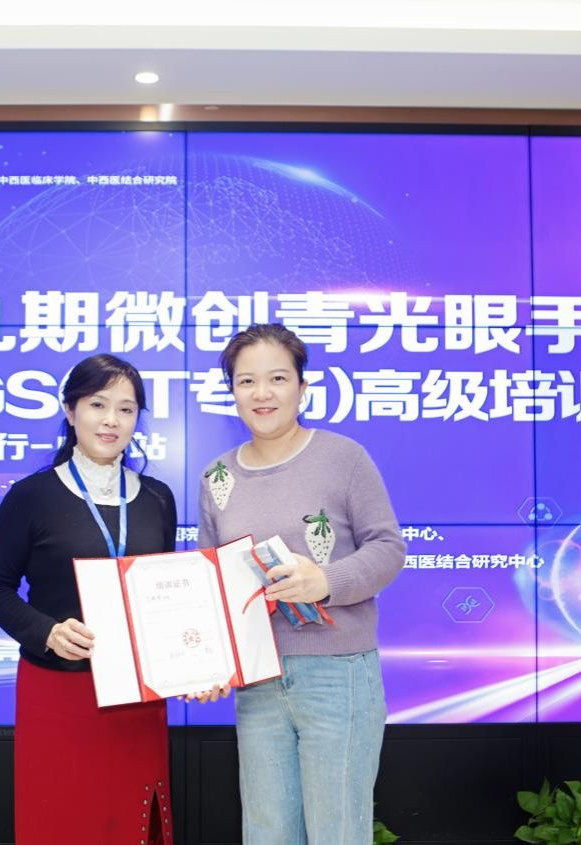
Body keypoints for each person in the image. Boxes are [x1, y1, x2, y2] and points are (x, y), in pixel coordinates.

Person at [197, 323, 406, 845]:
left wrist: (326, 580)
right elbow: (210, 582)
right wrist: (213, 660)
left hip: (338, 675)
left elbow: (388, 548)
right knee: (266, 832)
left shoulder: (344, 458)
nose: (261, 393)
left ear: (302, 387)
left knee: (338, 831)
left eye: (277, 378)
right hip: (257, 682)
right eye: (246, 381)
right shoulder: (217, 476)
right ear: (232, 392)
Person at [0, 354, 178, 845]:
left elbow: (167, 595)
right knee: (62, 820)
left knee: (133, 824)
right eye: (97, 405)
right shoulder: (31, 496)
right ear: (71, 411)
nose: (112, 420)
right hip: (59, 692)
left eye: (126, 409)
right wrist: (46, 631)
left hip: (138, 699)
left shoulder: (158, 498)